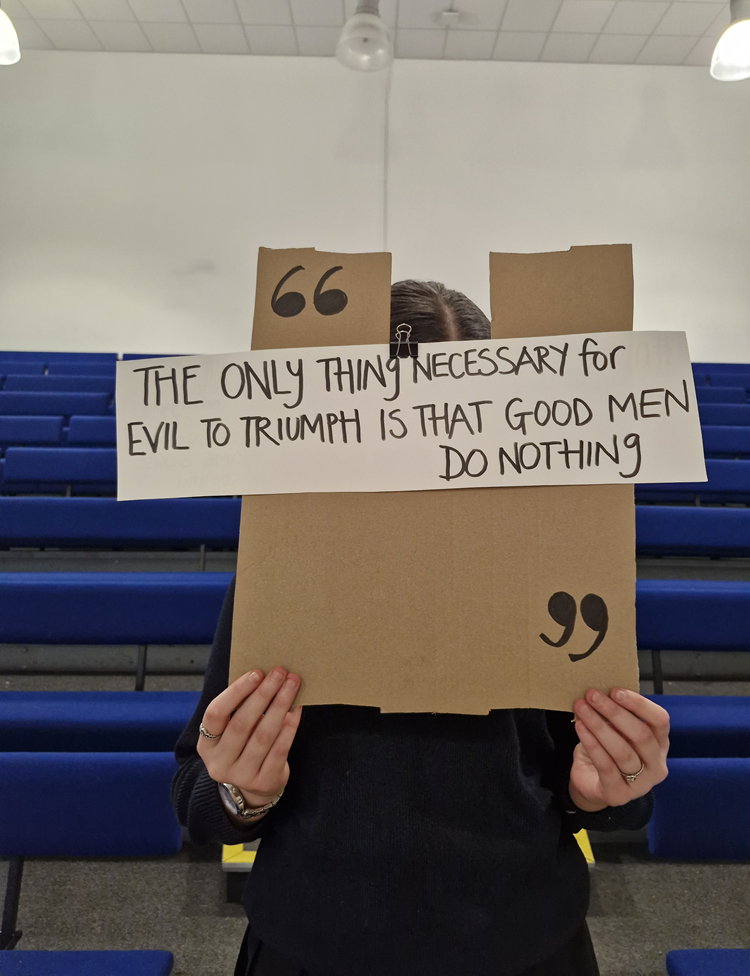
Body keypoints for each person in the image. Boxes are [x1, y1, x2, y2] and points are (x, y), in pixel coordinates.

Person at [171, 280, 670, 976]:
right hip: (313, 944)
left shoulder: (553, 570)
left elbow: (612, 797)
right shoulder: (284, 571)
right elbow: (196, 798)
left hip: (525, 944)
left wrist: (608, 791)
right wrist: (239, 794)